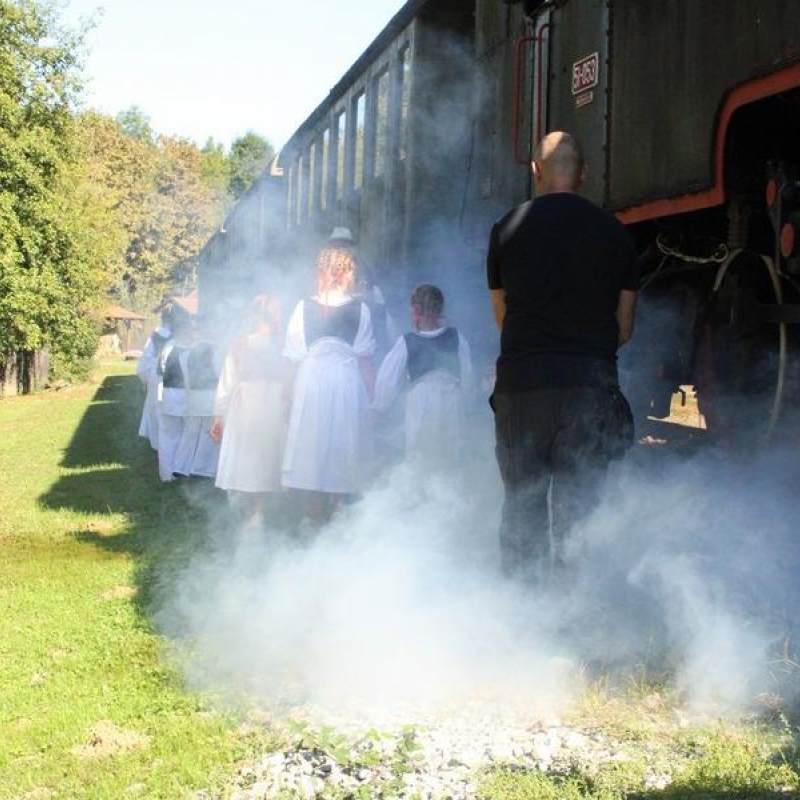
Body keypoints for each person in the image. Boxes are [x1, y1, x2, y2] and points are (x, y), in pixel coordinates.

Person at [487, 131, 638, 583]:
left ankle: (523, 620)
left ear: (535, 170)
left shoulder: (506, 229)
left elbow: (503, 318)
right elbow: (624, 327)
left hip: (521, 386)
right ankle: (575, 626)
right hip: (589, 386)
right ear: (584, 174)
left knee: (522, 507)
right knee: (580, 514)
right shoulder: (616, 234)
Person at [282, 245, 376, 523]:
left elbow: (292, 357)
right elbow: (365, 360)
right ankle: (333, 514)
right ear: (347, 273)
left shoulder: (304, 307)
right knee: (340, 445)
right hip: (345, 382)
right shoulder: (360, 309)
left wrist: (286, 396)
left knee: (316, 446)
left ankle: (319, 517)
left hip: (315, 381)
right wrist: (372, 401)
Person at [373, 284, 473, 468]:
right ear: (441, 309)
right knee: (450, 456)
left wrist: (380, 407)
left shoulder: (406, 341)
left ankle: (422, 495)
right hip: (452, 402)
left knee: (421, 458)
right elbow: (467, 376)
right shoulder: (457, 337)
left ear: (416, 310)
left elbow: (387, 380)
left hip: (422, 404)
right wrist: (466, 402)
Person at [211, 295, 287, 522]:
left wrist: (219, 414)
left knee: (251, 456)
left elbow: (227, 381)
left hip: (258, 402)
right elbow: (229, 378)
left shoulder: (247, 343)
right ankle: (258, 509)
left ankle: (256, 510)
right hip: (265, 402)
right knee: (263, 456)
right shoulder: (277, 344)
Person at [156, 309, 194, 482]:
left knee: (169, 435)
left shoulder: (168, 346)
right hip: (181, 395)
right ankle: (177, 470)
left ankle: (167, 474)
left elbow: (161, 369)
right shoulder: (187, 348)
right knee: (184, 434)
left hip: (168, 394)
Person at [136, 304, 173, 450]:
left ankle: (159, 447)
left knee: (157, 411)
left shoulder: (154, 336)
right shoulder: (180, 336)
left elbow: (145, 362)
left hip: (157, 378)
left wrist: (145, 379)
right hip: (175, 380)